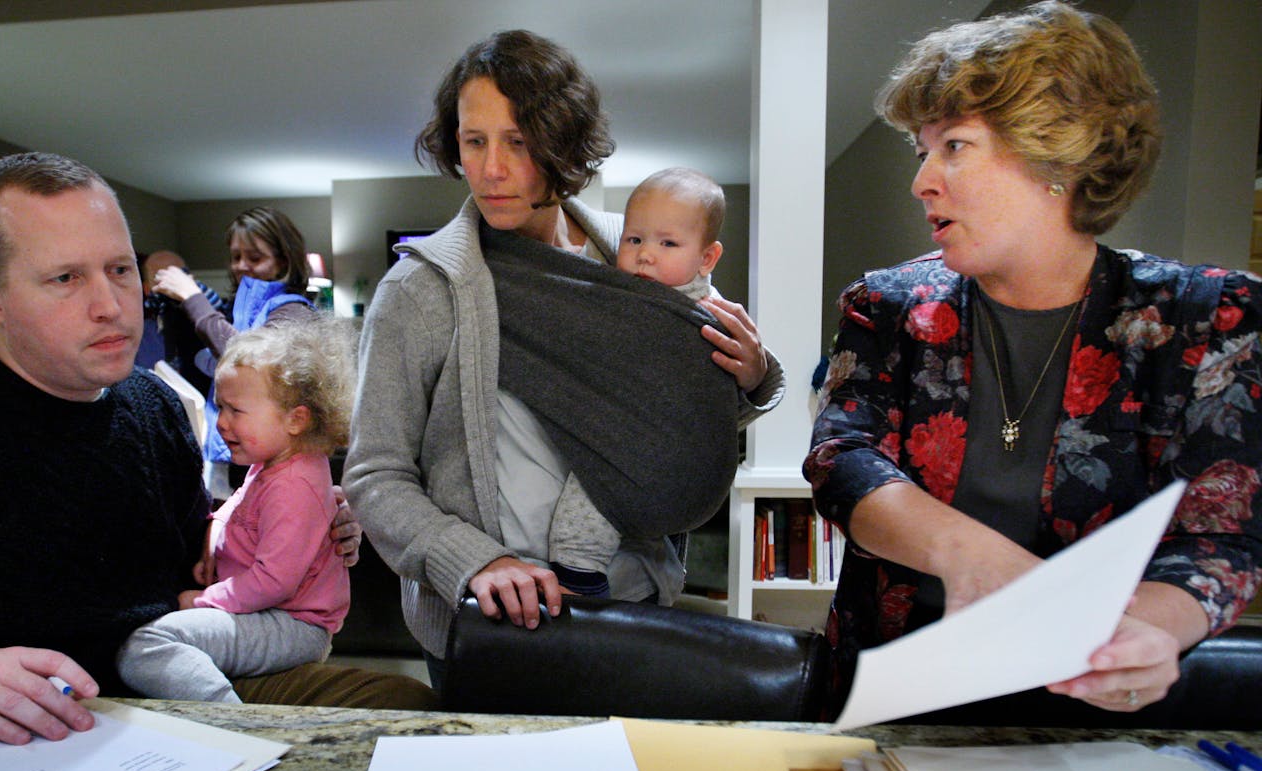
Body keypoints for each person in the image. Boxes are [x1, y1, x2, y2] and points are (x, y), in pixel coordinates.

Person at [0, 152, 436, 747]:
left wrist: (308, 525)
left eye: (121, 270)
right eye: (66, 278)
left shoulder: (153, 405)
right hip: (4, 737)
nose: (111, 305)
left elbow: (194, 556)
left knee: (413, 711)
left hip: (166, 685)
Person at [805, 1, 1262, 716]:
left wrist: (1152, 630)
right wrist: (973, 557)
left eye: (953, 145)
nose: (922, 179)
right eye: (920, 150)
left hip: (1093, 715)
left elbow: (1222, 532)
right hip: (895, 697)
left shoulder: (1209, 316)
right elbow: (840, 459)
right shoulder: (886, 305)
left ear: (1057, 153)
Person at [343, 30, 785, 689]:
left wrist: (750, 379)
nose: (492, 168)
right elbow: (375, 475)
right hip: (490, 621)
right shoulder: (420, 290)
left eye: (518, 141)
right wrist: (475, 561)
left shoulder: (631, 259)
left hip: (634, 606)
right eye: (474, 140)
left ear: (562, 143)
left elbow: (669, 423)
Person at [117, 319, 355, 703]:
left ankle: (233, 722)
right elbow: (238, 504)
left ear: (296, 419)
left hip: (292, 624)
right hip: (271, 614)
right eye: (219, 407)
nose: (222, 423)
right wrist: (216, 531)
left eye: (236, 411)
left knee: (147, 646)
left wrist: (204, 600)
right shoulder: (273, 464)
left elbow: (274, 582)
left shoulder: (295, 485)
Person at [548, 166, 728, 596]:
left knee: (591, 493)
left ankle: (576, 573)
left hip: (660, 447)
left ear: (706, 258)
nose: (646, 254)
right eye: (634, 240)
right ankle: (583, 573)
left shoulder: (710, 311)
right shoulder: (626, 293)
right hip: (631, 436)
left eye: (667, 243)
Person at [152, 207, 317, 500]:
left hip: (278, 457)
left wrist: (193, 298)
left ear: (283, 260)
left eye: (255, 257)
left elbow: (249, 361)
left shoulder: (293, 311)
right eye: (236, 256)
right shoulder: (241, 311)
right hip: (239, 452)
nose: (241, 266)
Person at [137, 248, 223, 395]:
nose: (172, 288)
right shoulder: (138, 335)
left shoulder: (209, 322)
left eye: (178, 278)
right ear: (146, 289)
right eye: (162, 280)